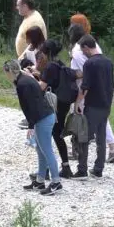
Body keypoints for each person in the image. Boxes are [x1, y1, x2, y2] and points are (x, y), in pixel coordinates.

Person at [3, 59, 63, 195]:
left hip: (43, 118)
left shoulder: (22, 84)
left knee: (47, 150)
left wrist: (30, 125)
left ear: (10, 72)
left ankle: (56, 182)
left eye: (6, 73)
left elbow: (30, 106)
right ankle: (40, 180)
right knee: (40, 150)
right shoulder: (24, 78)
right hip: (44, 116)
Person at [69, 14, 114, 162]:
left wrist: (69, 75)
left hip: (86, 90)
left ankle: (82, 155)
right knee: (101, 119)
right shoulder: (92, 43)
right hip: (99, 87)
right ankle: (110, 149)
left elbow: (83, 74)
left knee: (87, 122)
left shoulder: (78, 51)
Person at [74, 35, 114, 179]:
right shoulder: (108, 62)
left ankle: (82, 170)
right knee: (101, 138)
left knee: (84, 137)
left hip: (93, 105)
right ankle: (98, 168)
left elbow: (85, 87)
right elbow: (111, 85)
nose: (82, 53)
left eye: (82, 50)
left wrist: (77, 103)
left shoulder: (90, 64)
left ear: (86, 47)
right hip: (106, 104)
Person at [36, 40, 74, 178]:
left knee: (48, 135)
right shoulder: (60, 63)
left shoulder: (50, 66)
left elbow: (42, 86)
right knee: (57, 134)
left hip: (53, 104)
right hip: (63, 103)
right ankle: (65, 166)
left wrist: (30, 77)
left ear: (46, 52)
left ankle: (46, 169)